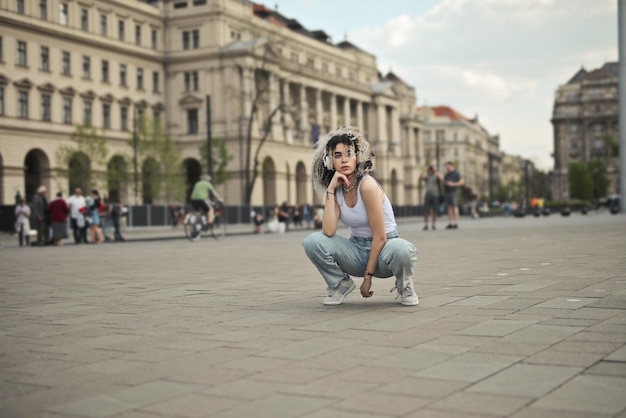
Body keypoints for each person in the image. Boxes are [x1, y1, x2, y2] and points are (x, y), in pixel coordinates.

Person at [302, 125, 419, 306]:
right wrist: (331, 190)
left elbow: (380, 238)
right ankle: (340, 284)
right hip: (357, 250)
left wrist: (368, 278)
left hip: (385, 251)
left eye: (349, 153)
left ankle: (405, 285)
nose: (344, 160)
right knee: (312, 241)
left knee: (402, 249)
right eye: (337, 155)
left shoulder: (367, 185)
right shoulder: (336, 190)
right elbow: (329, 230)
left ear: (358, 157)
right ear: (329, 161)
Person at [419, 165, 443, 230]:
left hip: (435, 195)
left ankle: (433, 224)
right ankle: (426, 224)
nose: (431, 171)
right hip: (428, 195)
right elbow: (421, 177)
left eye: (432, 169)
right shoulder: (427, 176)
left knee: (435, 210)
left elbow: (441, 178)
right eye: (430, 169)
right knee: (426, 210)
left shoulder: (436, 176)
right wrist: (425, 169)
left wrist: (436, 171)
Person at [443, 161, 464, 229]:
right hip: (447, 191)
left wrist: (453, 184)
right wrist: (445, 183)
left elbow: (461, 182)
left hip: (454, 191)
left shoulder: (456, 173)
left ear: (450, 165)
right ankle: (450, 223)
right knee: (449, 207)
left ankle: (456, 223)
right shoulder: (447, 174)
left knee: (455, 206)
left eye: (446, 166)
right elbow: (444, 182)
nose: (446, 168)